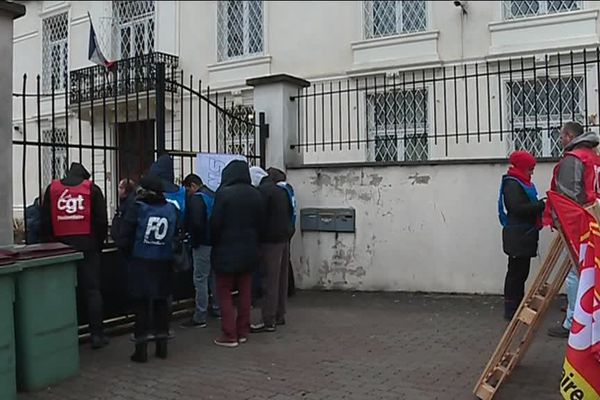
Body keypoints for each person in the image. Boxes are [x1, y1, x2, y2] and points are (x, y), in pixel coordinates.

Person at [40, 162, 109, 349]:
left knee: (62, 293)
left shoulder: (52, 189)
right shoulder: (92, 189)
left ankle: (63, 336)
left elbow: (44, 221)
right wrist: (97, 244)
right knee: (93, 291)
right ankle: (96, 334)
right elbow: (102, 221)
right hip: (88, 248)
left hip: (59, 249)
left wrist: (51, 243)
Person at [113, 174, 179, 362]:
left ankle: (141, 351)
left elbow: (124, 238)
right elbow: (176, 235)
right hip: (164, 261)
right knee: (161, 304)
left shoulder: (137, 207)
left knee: (141, 306)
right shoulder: (170, 209)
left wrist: (128, 255)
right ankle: (162, 347)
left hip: (141, 261)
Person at [546, 122, 600, 338]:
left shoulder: (574, 159)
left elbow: (566, 198)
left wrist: (560, 222)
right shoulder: (594, 157)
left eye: (561, 136)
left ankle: (574, 322)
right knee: (589, 271)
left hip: (580, 223)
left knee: (576, 274)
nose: (560, 140)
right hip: (595, 218)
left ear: (569, 136)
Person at [210, 160, 264, 347]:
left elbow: (215, 224)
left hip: (225, 250)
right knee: (245, 293)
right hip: (249, 251)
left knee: (224, 292)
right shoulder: (255, 194)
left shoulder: (223, 194)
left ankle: (229, 333)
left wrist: (214, 242)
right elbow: (260, 223)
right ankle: (242, 331)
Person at [498, 151, 545, 321]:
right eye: (530, 169)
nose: (532, 172)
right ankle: (511, 309)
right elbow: (517, 208)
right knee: (516, 274)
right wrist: (540, 206)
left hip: (523, 235)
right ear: (522, 167)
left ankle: (517, 305)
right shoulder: (513, 184)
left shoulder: (522, 182)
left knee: (521, 272)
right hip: (518, 235)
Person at [251, 166, 295, 333]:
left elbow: (259, 217)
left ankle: (268, 319)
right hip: (284, 238)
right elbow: (289, 213)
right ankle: (280, 314)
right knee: (281, 279)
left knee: (269, 280)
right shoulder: (281, 191)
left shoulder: (262, 192)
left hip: (269, 241)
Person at [180, 173, 220, 328]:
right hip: (214, 242)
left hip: (202, 244)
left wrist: (193, 242)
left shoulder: (197, 198)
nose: (188, 193)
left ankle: (200, 315)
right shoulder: (212, 194)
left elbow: (196, 224)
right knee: (213, 277)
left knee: (200, 279)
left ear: (193, 185)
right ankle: (217, 308)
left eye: (188, 189)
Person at [267, 167, 297, 297]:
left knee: (281, 262)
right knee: (286, 259)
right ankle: (289, 288)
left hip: (283, 227)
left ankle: (287, 289)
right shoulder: (288, 188)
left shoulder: (280, 190)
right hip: (289, 226)